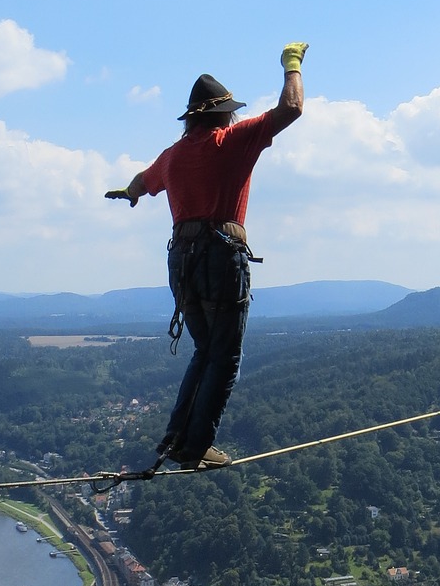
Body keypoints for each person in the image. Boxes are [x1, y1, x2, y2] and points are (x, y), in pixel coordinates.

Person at [105, 42, 307, 469]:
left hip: (181, 261)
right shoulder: (231, 141)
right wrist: (292, 65)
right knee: (226, 357)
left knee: (204, 351)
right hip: (219, 254)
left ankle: (178, 438)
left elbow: (142, 181)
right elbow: (291, 109)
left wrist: (129, 192)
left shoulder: (172, 156)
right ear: (223, 115)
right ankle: (195, 447)